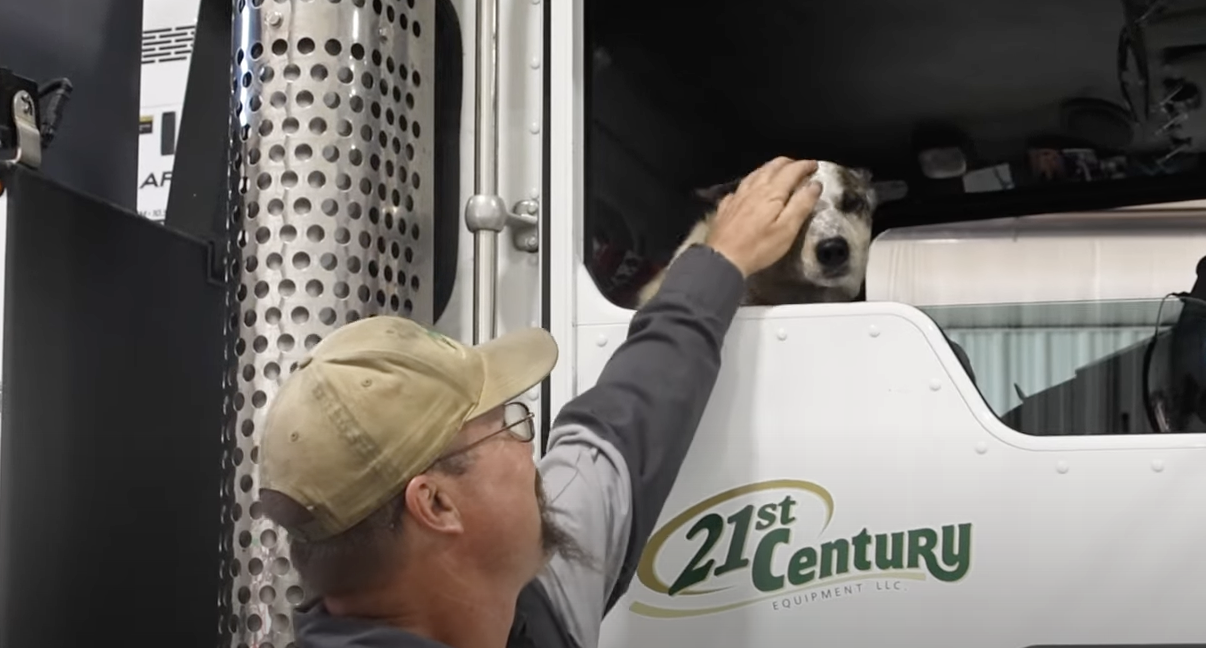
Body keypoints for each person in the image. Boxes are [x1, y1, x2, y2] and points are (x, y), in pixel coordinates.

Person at [258, 156, 825, 648]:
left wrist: (718, 261)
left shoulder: (517, 598)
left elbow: (618, 431)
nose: (532, 453)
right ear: (436, 505)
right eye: (507, 426)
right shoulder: (517, 593)